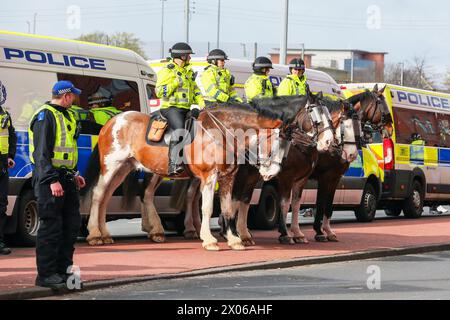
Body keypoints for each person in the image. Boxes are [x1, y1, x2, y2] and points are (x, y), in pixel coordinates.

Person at [29, 80, 86, 290]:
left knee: (70, 227)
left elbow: (67, 150)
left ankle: (62, 272)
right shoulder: (45, 116)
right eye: (73, 95)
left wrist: (75, 174)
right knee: (51, 227)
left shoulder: (67, 114)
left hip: (67, 178)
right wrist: (51, 180)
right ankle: (45, 275)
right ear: (66, 96)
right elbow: (41, 153)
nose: (74, 99)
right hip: (50, 180)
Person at [155, 42, 205, 176]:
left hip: (186, 108)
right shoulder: (167, 70)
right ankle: (173, 164)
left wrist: (202, 104)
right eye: (188, 56)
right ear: (181, 56)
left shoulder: (188, 71)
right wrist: (175, 82)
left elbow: (195, 91)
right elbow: (160, 92)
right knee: (179, 129)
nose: (189, 58)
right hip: (171, 108)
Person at [0, 90, 17, 255]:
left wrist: (10, 155)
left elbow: (12, 136)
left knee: (1, 204)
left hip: (2, 164)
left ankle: (0, 241)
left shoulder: (5, 114)